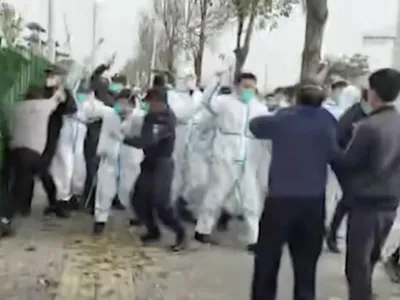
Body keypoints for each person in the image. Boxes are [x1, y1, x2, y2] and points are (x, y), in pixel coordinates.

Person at [249, 82, 338, 300]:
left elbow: (255, 126)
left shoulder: (283, 119)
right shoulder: (328, 121)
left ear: (296, 100)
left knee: (267, 260)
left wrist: (286, 110)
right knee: (306, 266)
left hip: (280, 200)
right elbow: (338, 153)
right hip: (313, 202)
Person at [336, 68, 400, 300]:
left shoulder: (368, 126)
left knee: (357, 263)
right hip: (391, 202)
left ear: (372, 92)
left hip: (366, 202)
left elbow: (348, 162)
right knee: (371, 258)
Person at [194, 72, 270, 252]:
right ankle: (202, 229)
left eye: (252, 87)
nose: (248, 90)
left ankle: (255, 239)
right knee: (217, 192)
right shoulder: (224, 102)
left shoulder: (260, 108)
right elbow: (206, 102)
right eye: (245, 86)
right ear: (237, 86)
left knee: (251, 197)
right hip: (225, 153)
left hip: (249, 155)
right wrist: (215, 82)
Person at [0, 82, 70, 236]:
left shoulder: (15, 107)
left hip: (14, 151)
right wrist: (60, 86)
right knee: (31, 184)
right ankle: (5, 220)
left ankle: (22, 210)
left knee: (20, 184)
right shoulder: (44, 106)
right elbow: (61, 100)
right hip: (33, 154)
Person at [123, 87, 186, 251]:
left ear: (159, 102)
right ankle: (153, 230)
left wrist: (124, 138)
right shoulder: (150, 117)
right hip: (149, 162)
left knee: (161, 203)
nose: (147, 105)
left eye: (150, 102)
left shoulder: (167, 119)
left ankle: (181, 233)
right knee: (138, 199)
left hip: (163, 165)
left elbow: (147, 140)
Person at [82, 88, 143, 234]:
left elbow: (139, 138)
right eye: (119, 103)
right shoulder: (110, 115)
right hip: (109, 157)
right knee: (104, 189)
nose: (121, 107)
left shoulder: (138, 118)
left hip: (130, 159)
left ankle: (134, 215)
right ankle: (100, 220)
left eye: (124, 103)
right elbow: (90, 114)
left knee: (128, 190)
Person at [326, 86, 369, 253]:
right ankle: (333, 233)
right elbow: (339, 139)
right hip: (345, 162)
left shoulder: (371, 114)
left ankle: (335, 232)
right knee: (350, 197)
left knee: (351, 199)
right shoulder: (352, 115)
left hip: (361, 163)